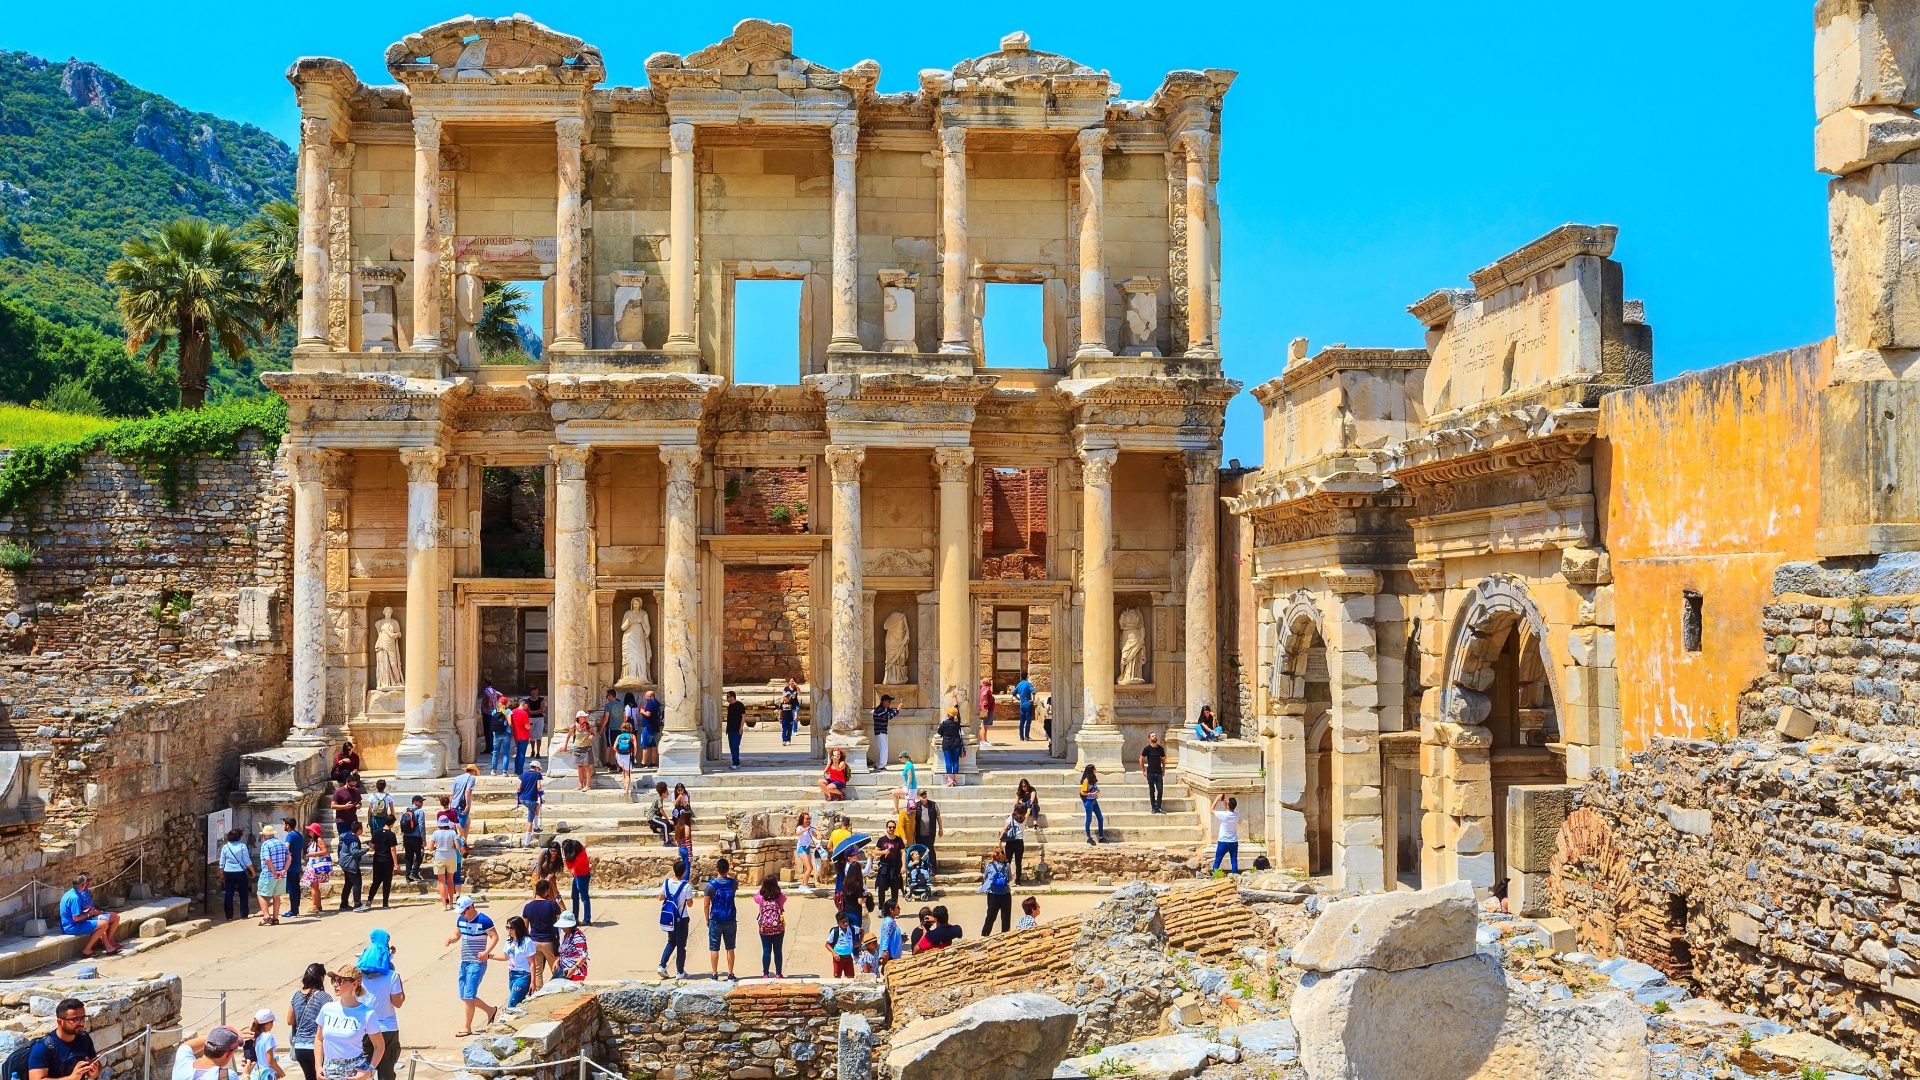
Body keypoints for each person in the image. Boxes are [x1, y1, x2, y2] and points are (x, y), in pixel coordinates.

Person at [314, 966, 381, 1080]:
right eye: (333, 980)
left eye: (340, 980)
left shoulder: (367, 1013)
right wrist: (318, 1066)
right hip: (329, 1071)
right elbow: (319, 1039)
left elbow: (379, 1046)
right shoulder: (327, 1008)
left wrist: (369, 1071)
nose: (335, 984)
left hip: (356, 1071)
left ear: (355, 984)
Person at [356, 931, 404, 1080]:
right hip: (386, 1029)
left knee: (362, 1072)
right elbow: (398, 1002)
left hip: (363, 1029)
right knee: (386, 1073)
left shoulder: (357, 976)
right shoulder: (392, 976)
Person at [25, 997, 98, 1080]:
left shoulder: (84, 1038)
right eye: (75, 1020)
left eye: (83, 1018)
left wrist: (94, 1071)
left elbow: (96, 1070)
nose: (81, 1023)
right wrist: (72, 1078)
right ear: (60, 1022)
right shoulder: (43, 1047)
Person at [56, 874, 119, 958]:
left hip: (70, 924)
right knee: (104, 924)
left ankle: (108, 946)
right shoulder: (75, 898)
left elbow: (75, 912)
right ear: (83, 885)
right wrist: (89, 914)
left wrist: (87, 912)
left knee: (101, 923)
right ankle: (87, 950)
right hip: (72, 927)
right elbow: (76, 918)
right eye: (87, 883)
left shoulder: (69, 893)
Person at [286, 964, 331, 1080]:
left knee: (310, 1077)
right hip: (317, 1046)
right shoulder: (325, 998)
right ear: (321, 978)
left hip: (300, 1047)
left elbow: (290, 1020)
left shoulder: (296, 995)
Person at [702, 857, 740, 981]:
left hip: (716, 919)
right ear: (728, 869)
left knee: (714, 947)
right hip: (730, 918)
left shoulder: (710, 886)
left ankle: (714, 973)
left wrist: (707, 919)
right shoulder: (733, 883)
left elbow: (706, 904)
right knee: (730, 947)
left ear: (716, 869)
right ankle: (730, 973)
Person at [522, 879, 563, 992]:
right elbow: (562, 921)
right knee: (556, 969)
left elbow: (525, 927)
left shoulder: (527, 906)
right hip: (549, 941)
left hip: (534, 942)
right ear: (547, 891)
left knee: (537, 971)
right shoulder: (551, 905)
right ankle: (559, 990)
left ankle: (539, 992)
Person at [657, 859, 693, 979]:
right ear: (684, 872)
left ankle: (662, 966)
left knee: (671, 942)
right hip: (682, 918)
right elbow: (690, 903)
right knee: (681, 946)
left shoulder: (667, 883)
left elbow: (661, 897)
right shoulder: (686, 886)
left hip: (670, 917)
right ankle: (680, 972)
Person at [492, 916, 536, 1009]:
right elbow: (505, 957)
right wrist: (488, 956)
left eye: (511, 928)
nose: (509, 930)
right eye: (507, 928)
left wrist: (533, 982)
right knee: (518, 1002)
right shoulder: (508, 941)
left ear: (518, 928)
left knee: (512, 1003)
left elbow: (532, 963)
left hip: (523, 976)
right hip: (512, 974)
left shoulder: (527, 942)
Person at [218, 827, 255, 923]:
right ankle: (244, 914)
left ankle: (229, 915)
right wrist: (253, 871)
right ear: (239, 837)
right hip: (240, 872)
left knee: (228, 894)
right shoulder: (242, 846)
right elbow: (247, 861)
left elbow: (222, 862)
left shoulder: (225, 847)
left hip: (228, 872)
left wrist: (221, 873)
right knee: (243, 893)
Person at [753, 877, 786, 978]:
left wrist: (763, 889)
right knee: (778, 950)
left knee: (766, 950)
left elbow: (755, 898)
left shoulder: (761, 896)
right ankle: (778, 973)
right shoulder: (780, 896)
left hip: (765, 927)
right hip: (778, 927)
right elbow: (784, 899)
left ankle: (766, 973)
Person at [257, 826, 290, 925]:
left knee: (261, 894)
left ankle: (266, 916)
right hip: (281, 875)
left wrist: (274, 871)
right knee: (276, 896)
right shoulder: (281, 843)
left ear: (264, 836)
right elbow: (289, 858)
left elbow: (267, 860)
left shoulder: (266, 844)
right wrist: (284, 870)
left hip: (268, 874)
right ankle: (275, 918)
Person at [429, 816, 463, 909]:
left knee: (441, 882)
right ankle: (451, 903)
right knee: (451, 880)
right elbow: (457, 847)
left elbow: (430, 848)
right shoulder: (452, 833)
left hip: (439, 856)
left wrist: (437, 848)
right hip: (451, 856)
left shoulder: (435, 833)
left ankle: (444, 904)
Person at [979, 846, 1013, 936]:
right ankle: (1006, 936)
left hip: (993, 894)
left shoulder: (989, 865)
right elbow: (1010, 878)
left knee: (990, 916)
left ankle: (985, 934)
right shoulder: (1007, 865)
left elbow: (985, 878)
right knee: (1006, 918)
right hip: (1005, 894)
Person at [872, 819, 905, 911]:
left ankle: (894, 909)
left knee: (895, 890)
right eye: (890, 827)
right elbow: (875, 852)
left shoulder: (899, 840)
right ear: (886, 828)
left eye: (893, 827)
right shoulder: (882, 840)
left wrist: (903, 866)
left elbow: (903, 853)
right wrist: (883, 852)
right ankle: (881, 908)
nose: (892, 829)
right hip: (884, 867)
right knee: (881, 889)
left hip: (895, 867)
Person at [303, 824, 334, 915]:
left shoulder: (318, 840)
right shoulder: (313, 841)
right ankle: (318, 905)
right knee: (315, 886)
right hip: (312, 865)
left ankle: (314, 906)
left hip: (315, 866)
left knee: (314, 886)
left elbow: (324, 851)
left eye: (310, 830)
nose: (309, 831)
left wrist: (313, 854)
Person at [336, 822, 366, 913]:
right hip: (350, 864)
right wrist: (366, 849)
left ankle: (344, 904)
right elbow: (355, 852)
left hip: (344, 862)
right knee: (357, 883)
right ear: (359, 830)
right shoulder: (354, 840)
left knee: (348, 884)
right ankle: (357, 904)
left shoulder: (346, 836)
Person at [368, 817, 397, 910]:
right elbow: (393, 849)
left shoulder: (376, 832)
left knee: (376, 881)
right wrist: (396, 863)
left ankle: (369, 900)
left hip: (377, 859)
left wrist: (378, 849)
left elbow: (372, 846)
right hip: (387, 860)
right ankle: (385, 903)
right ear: (392, 823)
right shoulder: (392, 835)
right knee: (387, 882)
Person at [562, 838, 593, 926]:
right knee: (574, 896)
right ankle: (575, 917)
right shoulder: (580, 850)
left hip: (582, 876)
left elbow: (569, 866)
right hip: (577, 875)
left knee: (584, 898)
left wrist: (565, 858)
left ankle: (587, 919)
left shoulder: (579, 857)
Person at [563, 711, 596, 792]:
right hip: (577, 748)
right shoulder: (574, 726)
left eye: (585, 716)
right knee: (580, 767)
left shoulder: (588, 725)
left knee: (587, 767)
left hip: (586, 748)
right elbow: (568, 736)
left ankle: (587, 785)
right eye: (583, 716)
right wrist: (565, 745)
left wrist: (592, 736)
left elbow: (593, 734)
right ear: (579, 718)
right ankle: (580, 785)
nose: (585, 718)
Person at [516, 760, 545, 847]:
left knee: (537, 806)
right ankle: (526, 843)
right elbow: (539, 786)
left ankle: (536, 827)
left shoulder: (523, 774)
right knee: (530, 821)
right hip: (531, 799)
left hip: (523, 799)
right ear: (536, 768)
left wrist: (518, 798)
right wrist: (541, 796)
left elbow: (518, 787)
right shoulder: (537, 775)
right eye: (539, 769)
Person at [283, 816, 308, 916]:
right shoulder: (299, 835)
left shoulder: (290, 836)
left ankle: (293, 910)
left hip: (291, 866)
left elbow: (286, 848)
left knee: (292, 888)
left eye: (284, 824)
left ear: (288, 825)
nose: (283, 826)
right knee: (296, 888)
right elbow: (301, 850)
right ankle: (295, 909)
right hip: (297, 864)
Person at [911, 793, 943, 870]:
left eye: (925, 794)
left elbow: (938, 817)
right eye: (922, 795)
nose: (924, 795)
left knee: (930, 850)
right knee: (920, 851)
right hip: (919, 834)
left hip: (930, 833)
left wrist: (940, 829)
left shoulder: (933, 804)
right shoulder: (916, 805)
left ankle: (933, 869)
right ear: (918, 797)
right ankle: (921, 868)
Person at [1211, 793, 1241, 874]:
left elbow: (1211, 810)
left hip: (1223, 841)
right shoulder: (1237, 815)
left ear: (1228, 805)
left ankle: (1215, 876)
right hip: (1233, 841)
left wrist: (1217, 799)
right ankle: (1235, 876)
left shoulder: (1224, 815)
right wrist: (1225, 801)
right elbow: (1228, 811)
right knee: (1234, 861)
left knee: (1217, 860)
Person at [1140, 731, 1169, 813]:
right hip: (1150, 773)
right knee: (1152, 791)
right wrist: (1143, 770)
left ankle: (1158, 807)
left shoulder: (1160, 749)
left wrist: (1164, 770)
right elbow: (1141, 759)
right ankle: (1153, 807)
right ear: (1149, 739)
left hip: (1159, 772)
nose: (1154, 737)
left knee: (1160, 790)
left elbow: (1163, 760)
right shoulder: (1147, 749)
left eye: (1155, 735)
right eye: (1152, 736)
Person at [554, 913, 589, 981]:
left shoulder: (577, 936)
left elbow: (584, 955)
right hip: (565, 971)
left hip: (575, 973)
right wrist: (557, 961)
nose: (562, 927)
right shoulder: (567, 934)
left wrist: (574, 968)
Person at [399, 798, 426, 884]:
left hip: (406, 837)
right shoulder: (420, 811)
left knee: (408, 856)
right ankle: (414, 872)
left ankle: (408, 877)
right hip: (416, 837)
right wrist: (423, 839)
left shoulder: (405, 810)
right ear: (415, 802)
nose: (422, 803)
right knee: (420, 854)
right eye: (421, 801)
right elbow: (421, 826)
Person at [1002, 805, 1030, 887]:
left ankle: (1005, 880)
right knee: (1018, 862)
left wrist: (1000, 840)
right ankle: (1018, 881)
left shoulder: (1011, 817)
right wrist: (1030, 804)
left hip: (1010, 841)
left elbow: (1005, 828)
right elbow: (1028, 811)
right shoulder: (1024, 818)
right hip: (1019, 842)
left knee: (1007, 862)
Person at [825, 911, 858, 979]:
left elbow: (861, 931)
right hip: (838, 959)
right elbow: (827, 944)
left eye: (847, 921)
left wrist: (859, 942)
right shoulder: (835, 931)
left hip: (848, 957)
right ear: (838, 923)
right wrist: (834, 953)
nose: (846, 923)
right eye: (843, 922)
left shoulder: (851, 929)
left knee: (851, 977)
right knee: (837, 977)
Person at [936, 708, 964, 786]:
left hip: (947, 744)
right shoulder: (957, 723)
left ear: (948, 715)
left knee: (948, 762)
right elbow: (959, 716)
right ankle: (955, 779)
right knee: (955, 762)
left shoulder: (944, 724)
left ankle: (950, 779)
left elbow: (939, 732)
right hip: (956, 744)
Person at [1080, 765, 1107, 845]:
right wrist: (1092, 794)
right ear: (1091, 770)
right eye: (1094, 769)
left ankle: (1101, 837)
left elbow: (1094, 788)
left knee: (1100, 818)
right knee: (1089, 819)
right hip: (1088, 802)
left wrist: (1097, 791)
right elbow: (1082, 792)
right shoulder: (1086, 781)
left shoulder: (1093, 779)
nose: (1096, 770)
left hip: (1094, 801)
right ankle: (1088, 837)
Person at [792, 811, 818, 892]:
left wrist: (819, 835)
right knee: (810, 868)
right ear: (802, 819)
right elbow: (797, 833)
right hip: (801, 848)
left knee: (808, 868)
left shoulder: (810, 828)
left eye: (809, 819)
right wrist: (804, 830)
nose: (808, 820)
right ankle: (804, 886)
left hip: (807, 848)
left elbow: (816, 836)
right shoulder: (800, 827)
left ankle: (802, 884)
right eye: (807, 819)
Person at [638, 690, 665, 770]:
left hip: (648, 727)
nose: (644, 697)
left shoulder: (650, 703)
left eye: (646, 695)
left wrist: (642, 711)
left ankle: (643, 763)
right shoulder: (657, 703)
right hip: (655, 728)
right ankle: (653, 763)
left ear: (650, 696)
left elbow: (648, 714)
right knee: (653, 746)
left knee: (645, 745)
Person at [870, 694, 897, 770]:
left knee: (881, 748)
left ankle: (879, 764)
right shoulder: (880, 710)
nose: (890, 703)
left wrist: (895, 709)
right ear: (884, 702)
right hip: (881, 732)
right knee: (884, 748)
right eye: (888, 701)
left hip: (879, 732)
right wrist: (898, 710)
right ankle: (881, 765)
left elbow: (890, 711)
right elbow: (888, 716)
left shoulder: (882, 709)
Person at [876, 900, 904, 971]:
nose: (899, 909)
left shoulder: (891, 921)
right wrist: (885, 950)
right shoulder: (888, 922)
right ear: (891, 910)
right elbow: (886, 937)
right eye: (897, 907)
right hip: (890, 955)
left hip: (894, 954)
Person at [722, 691, 747, 770]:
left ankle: (736, 763)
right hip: (730, 730)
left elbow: (743, 716)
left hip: (737, 729)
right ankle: (735, 762)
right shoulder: (730, 706)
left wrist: (741, 727)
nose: (727, 698)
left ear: (732, 697)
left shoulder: (740, 705)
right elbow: (730, 718)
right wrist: (727, 728)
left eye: (728, 696)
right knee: (731, 747)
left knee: (735, 746)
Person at [508, 698, 532, 777]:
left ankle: (516, 770)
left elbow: (511, 723)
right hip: (524, 736)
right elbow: (527, 726)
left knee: (518, 753)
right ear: (525, 704)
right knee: (522, 754)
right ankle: (520, 771)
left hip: (516, 735)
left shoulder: (513, 712)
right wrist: (530, 726)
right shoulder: (524, 713)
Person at [487, 700, 512, 776]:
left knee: (495, 753)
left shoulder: (494, 711)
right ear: (506, 703)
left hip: (496, 734)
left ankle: (493, 771)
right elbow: (510, 723)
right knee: (506, 753)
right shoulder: (507, 711)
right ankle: (505, 772)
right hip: (506, 733)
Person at [599, 690, 622, 770]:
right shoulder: (622, 704)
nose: (607, 698)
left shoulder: (608, 705)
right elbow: (625, 717)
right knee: (618, 746)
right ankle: (618, 762)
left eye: (607, 696)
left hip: (611, 728)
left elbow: (606, 718)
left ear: (610, 695)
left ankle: (610, 763)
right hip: (620, 729)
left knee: (610, 746)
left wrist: (600, 730)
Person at [613, 722, 637, 798]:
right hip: (628, 756)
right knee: (628, 773)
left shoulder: (619, 736)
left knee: (623, 770)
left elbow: (614, 747)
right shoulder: (632, 736)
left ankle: (624, 786)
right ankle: (627, 790)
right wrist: (634, 755)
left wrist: (619, 753)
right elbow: (635, 748)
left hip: (619, 756)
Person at [525, 686, 548, 758]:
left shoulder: (541, 699)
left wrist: (533, 712)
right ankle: (532, 750)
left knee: (539, 736)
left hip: (539, 719)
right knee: (531, 736)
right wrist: (536, 712)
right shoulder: (528, 700)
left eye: (536, 690)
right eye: (534, 691)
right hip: (531, 719)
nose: (536, 692)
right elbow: (528, 711)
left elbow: (542, 710)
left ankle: (538, 752)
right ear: (531, 692)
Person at [1013, 672, 1036, 741]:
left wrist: (1019, 699)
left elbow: (1014, 693)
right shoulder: (1028, 684)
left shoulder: (1019, 684)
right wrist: (1033, 700)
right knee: (1028, 721)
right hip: (1028, 704)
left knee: (1022, 721)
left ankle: (1021, 736)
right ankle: (1026, 736)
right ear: (1027, 677)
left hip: (1022, 704)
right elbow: (1033, 692)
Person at [778, 678, 800, 746]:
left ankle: (791, 736)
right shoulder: (782, 704)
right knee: (784, 729)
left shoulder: (791, 704)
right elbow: (780, 710)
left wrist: (796, 716)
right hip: (784, 718)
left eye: (788, 697)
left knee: (789, 729)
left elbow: (794, 710)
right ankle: (784, 740)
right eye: (786, 697)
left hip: (790, 716)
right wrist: (779, 717)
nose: (787, 698)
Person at [977, 675, 996, 747]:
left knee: (984, 725)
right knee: (984, 725)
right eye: (989, 681)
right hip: (987, 709)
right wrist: (985, 704)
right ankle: (983, 740)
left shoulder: (982, 688)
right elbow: (984, 695)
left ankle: (983, 740)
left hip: (985, 709)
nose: (990, 682)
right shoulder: (987, 689)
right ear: (986, 682)